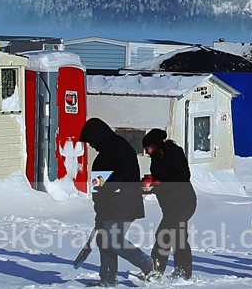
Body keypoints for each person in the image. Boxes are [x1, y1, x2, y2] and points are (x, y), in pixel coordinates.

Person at [79, 118, 156, 287]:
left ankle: (148, 264)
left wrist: (108, 187)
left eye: (91, 141)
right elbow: (98, 187)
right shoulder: (105, 153)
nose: (91, 145)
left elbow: (125, 171)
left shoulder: (119, 147)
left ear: (98, 136)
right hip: (109, 205)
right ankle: (107, 279)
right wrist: (98, 206)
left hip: (124, 203)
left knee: (113, 240)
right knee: (104, 240)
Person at [141, 128, 197, 280]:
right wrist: (149, 186)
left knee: (163, 234)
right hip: (170, 205)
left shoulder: (174, 153)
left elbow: (183, 177)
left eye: (147, 148)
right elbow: (160, 182)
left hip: (184, 202)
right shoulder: (156, 159)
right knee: (178, 236)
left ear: (155, 145)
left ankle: (156, 270)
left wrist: (159, 183)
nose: (146, 152)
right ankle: (182, 272)